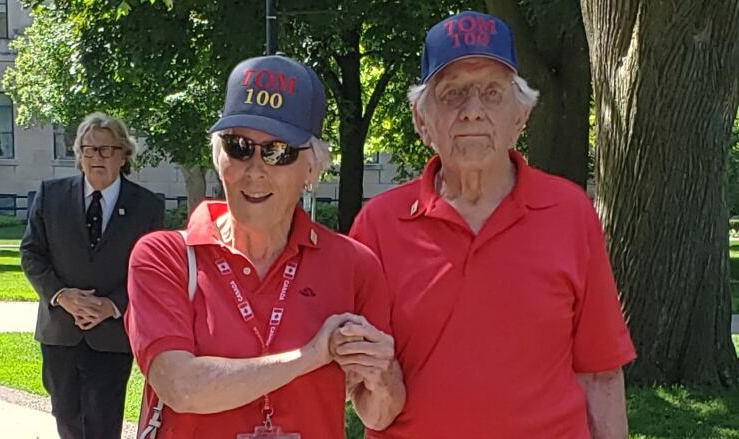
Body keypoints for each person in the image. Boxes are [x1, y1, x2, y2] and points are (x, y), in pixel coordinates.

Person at [348, 11, 637, 438]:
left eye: (492, 93)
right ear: (421, 120)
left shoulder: (570, 213)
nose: (473, 112)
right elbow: (369, 401)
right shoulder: (378, 225)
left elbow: (600, 375)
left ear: (520, 117)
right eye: (453, 95)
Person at [125, 54, 405, 438]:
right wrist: (312, 355)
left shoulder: (355, 264)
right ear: (218, 156)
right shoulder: (165, 256)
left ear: (311, 168)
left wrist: (380, 372)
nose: (255, 169)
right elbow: (181, 387)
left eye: (278, 151)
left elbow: (378, 414)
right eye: (239, 146)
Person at [20, 112, 164, 439]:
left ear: (123, 154)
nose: (96, 157)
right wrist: (62, 296)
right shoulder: (50, 195)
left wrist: (112, 305)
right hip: (61, 331)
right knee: (66, 416)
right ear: (78, 154)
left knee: (103, 421)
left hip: (112, 335)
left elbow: (152, 271)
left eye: (105, 150)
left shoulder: (147, 206)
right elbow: (31, 253)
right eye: (88, 149)